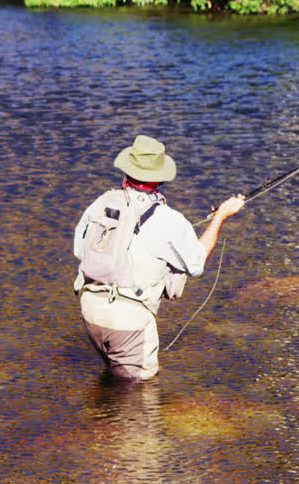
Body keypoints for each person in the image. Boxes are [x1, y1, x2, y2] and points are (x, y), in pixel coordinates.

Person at [73, 135, 245, 380]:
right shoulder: (168, 218)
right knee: (139, 398)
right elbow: (195, 264)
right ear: (161, 177)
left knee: (115, 384)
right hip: (128, 322)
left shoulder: (100, 203)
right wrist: (221, 217)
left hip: (90, 309)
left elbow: (80, 251)